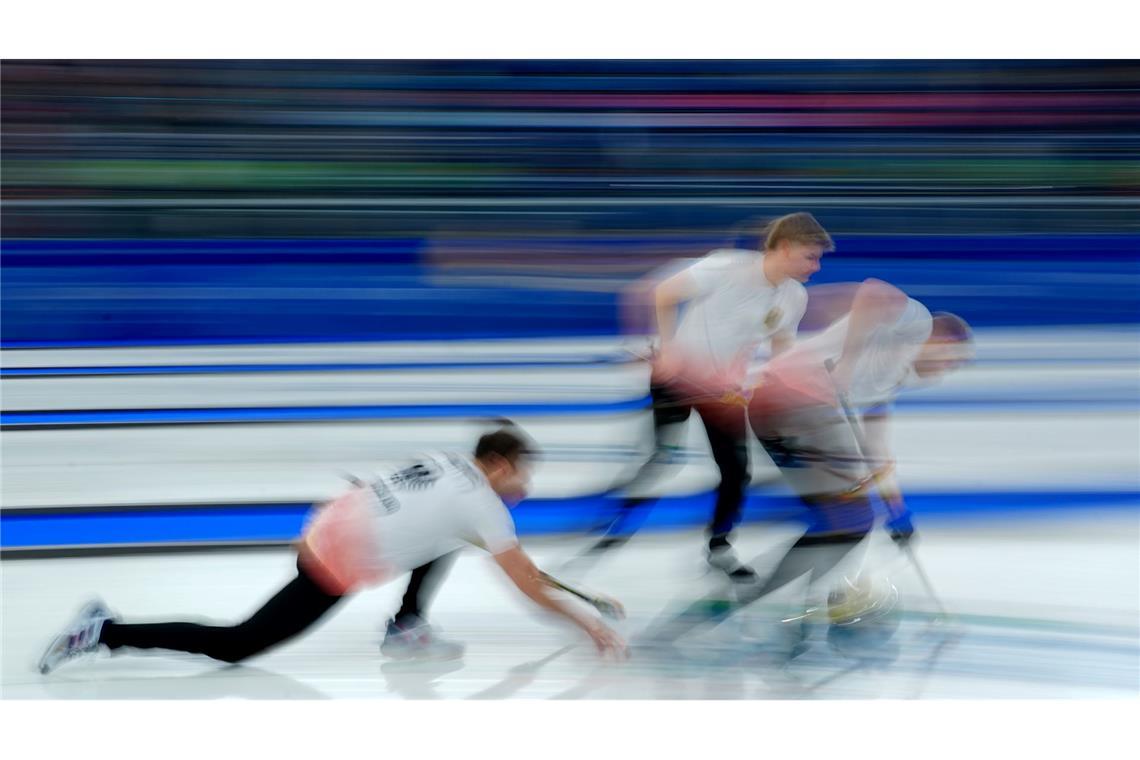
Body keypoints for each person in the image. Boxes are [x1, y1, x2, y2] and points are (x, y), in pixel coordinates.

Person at [38, 423, 626, 674]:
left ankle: (407, 624)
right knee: (239, 645)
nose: (526, 485)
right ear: (496, 464)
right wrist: (588, 623)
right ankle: (105, 631)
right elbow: (523, 580)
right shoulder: (482, 506)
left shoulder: (449, 464)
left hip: (330, 523)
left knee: (446, 539)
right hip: (336, 559)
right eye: (521, 472)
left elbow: (394, 497)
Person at [639, 279, 973, 649]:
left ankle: (758, 603)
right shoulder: (917, 324)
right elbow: (873, 293)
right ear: (939, 340)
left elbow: (875, 450)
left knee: (842, 521)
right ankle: (790, 607)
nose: (946, 370)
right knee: (852, 519)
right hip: (793, 402)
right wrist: (847, 363)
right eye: (950, 359)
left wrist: (897, 510)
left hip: (779, 410)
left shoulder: (894, 378)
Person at [579, 212, 835, 579]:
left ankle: (719, 547)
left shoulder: (795, 297)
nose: (816, 266)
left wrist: (780, 382)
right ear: (784, 247)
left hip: (722, 394)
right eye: (810, 257)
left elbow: (781, 354)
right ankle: (611, 524)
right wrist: (668, 351)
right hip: (676, 380)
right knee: (662, 459)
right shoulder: (726, 267)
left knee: (736, 471)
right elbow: (663, 293)